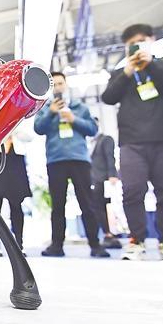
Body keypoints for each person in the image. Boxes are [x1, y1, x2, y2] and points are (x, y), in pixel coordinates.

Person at [101, 23, 163, 261]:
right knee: (132, 191)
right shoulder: (121, 73)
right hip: (131, 142)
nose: (136, 46)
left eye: (140, 41)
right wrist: (128, 72)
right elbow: (108, 98)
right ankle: (136, 240)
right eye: (131, 44)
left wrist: (151, 65)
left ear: (152, 40)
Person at [34, 72, 109, 258]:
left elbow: (93, 129)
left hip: (79, 160)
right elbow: (38, 128)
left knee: (87, 203)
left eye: (60, 83)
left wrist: (74, 119)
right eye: (54, 85)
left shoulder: (80, 108)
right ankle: (56, 246)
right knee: (58, 205)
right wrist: (51, 112)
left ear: (66, 85)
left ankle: (95, 245)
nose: (58, 87)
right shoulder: (45, 108)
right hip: (55, 160)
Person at [0, 136, 31, 257]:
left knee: (16, 206)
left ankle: (19, 244)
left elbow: (29, 135)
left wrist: (12, 133)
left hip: (14, 159)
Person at [88, 119, 121, 250]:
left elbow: (110, 157)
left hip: (105, 180)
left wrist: (112, 175)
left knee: (107, 208)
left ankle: (110, 233)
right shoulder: (89, 143)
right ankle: (107, 233)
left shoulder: (106, 139)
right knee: (98, 208)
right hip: (94, 181)